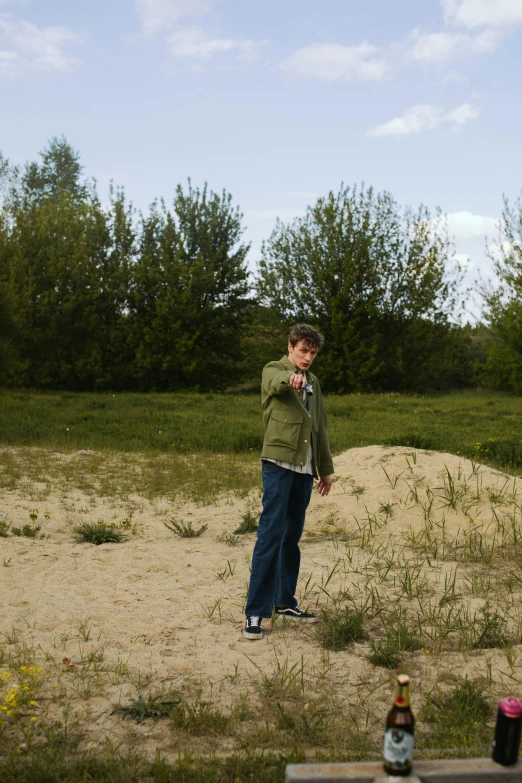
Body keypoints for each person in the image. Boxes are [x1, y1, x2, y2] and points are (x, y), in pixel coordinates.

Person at [244, 324, 334, 640]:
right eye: (303, 350)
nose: (307, 358)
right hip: (278, 465)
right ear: (290, 346)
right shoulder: (276, 370)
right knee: (269, 535)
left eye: (312, 353)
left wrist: (325, 469)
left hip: (304, 470)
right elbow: (274, 383)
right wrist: (290, 379)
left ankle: (284, 602)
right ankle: (255, 612)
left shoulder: (315, 383)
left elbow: (320, 426)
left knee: (291, 537)